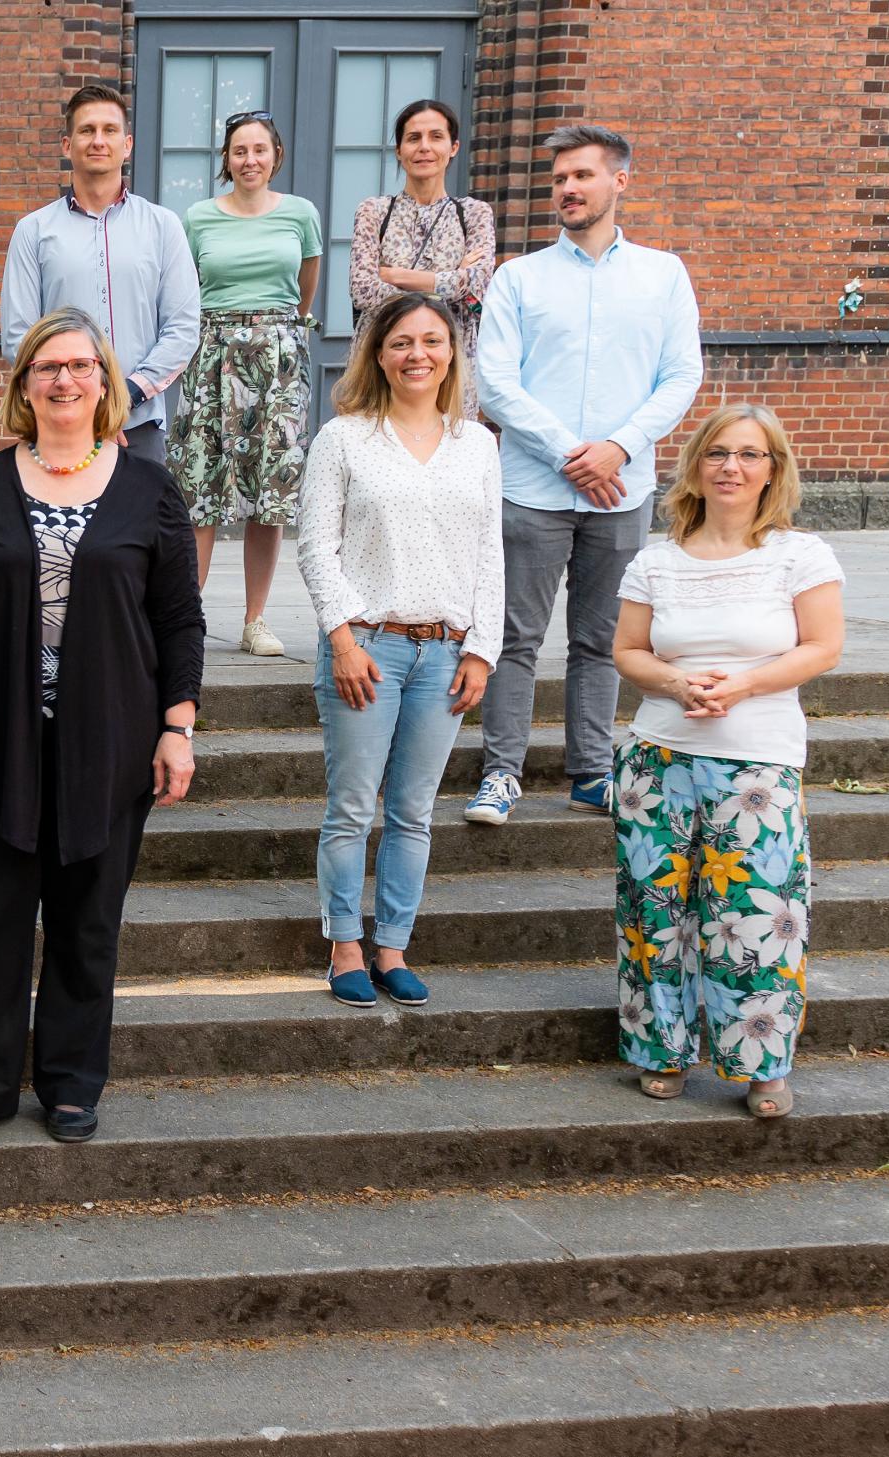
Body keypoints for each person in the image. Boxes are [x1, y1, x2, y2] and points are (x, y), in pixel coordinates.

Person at [0, 307, 203, 1147]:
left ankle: (72, 1080)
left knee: (88, 916)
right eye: (48, 367)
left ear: (104, 383)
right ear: (25, 385)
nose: (65, 379)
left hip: (110, 741)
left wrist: (177, 727)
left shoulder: (149, 489)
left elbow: (179, 620)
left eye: (81, 366)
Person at [612, 404, 841, 1122]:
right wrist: (676, 682)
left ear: (773, 469)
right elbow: (627, 651)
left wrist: (742, 684)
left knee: (758, 913)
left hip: (758, 764)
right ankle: (661, 1050)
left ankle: (761, 1063)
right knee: (656, 912)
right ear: (696, 467)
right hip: (658, 761)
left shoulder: (800, 555)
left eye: (749, 454)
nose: (731, 467)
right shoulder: (655, 561)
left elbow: (822, 646)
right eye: (717, 453)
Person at [469, 124, 703, 826]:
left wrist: (619, 449)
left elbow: (681, 375)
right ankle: (501, 773)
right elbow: (495, 382)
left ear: (619, 181)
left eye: (582, 175)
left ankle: (593, 772)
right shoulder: (519, 278)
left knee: (601, 641)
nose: (568, 189)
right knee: (513, 637)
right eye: (560, 179)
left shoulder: (663, 275)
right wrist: (575, 453)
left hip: (622, 491)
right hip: (533, 488)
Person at [295, 294, 503, 1011]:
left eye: (432, 341)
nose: (418, 354)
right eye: (402, 342)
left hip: (445, 652)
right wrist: (341, 638)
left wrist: (483, 650)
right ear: (378, 355)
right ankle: (345, 946)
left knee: (414, 812)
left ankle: (393, 947)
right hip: (367, 649)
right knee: (353, 807)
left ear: (451, 352)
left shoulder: (477, 444)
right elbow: (316, 547)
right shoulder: (344, 439)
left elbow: (490, 555)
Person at [171, 110, 323, 659]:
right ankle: (185, 617)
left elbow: (305, 287)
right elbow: (184, 289)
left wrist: (279, 334)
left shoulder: (301, 214)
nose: (249, 160)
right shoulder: (198, 218)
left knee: (270, 492)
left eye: (259, 149)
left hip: (278, 361)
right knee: (201, 489)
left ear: (275, 156)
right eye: (239, 151)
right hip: (212, 356)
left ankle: (255, 620)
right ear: (227, 159)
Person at [0, 83, 201, 467]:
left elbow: (183, 329)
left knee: (142, 511)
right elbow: (18, 337)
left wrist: (124, 398)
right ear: (66, 145)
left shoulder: (162, 227)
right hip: (58, 422)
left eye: (109, 130)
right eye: (87, 130)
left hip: (138, 426)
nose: (98, 140)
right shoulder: (33, 231)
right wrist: (78, 398)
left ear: (127, 145)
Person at [345, 99, 495, 417]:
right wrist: (449, 280)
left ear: (453, 147)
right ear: (399, 151)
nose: (424, 147)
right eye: (413, 138)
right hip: (381, 363)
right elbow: (363, 290)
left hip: (449, 368)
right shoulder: (375, 212)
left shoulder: (474, 214)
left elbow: (476, 289)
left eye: (436, 137)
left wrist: (394, 275)